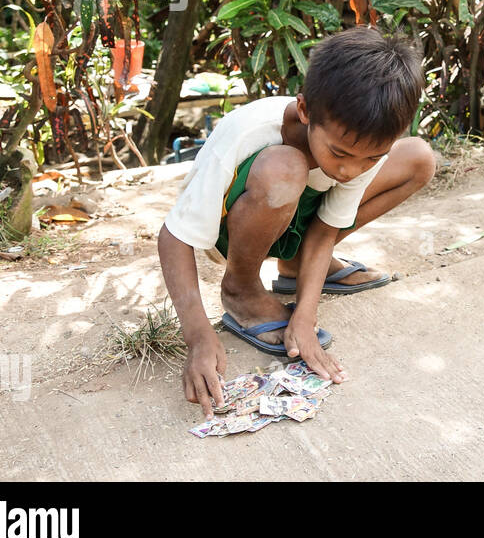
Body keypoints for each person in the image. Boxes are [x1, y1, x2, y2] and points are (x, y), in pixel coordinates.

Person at [158, 28, 436, 419]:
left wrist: (305, 316)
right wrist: (198, 336)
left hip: (301, 220)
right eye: (339, 153)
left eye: (370, 158)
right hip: (237, 224)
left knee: (419, 158)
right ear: (305, 111)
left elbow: (325, 232)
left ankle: (294, 267)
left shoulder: (357, 147)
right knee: (285, 167)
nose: (349, 170)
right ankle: (242, 290)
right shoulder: (249, 133)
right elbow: (174, 238)